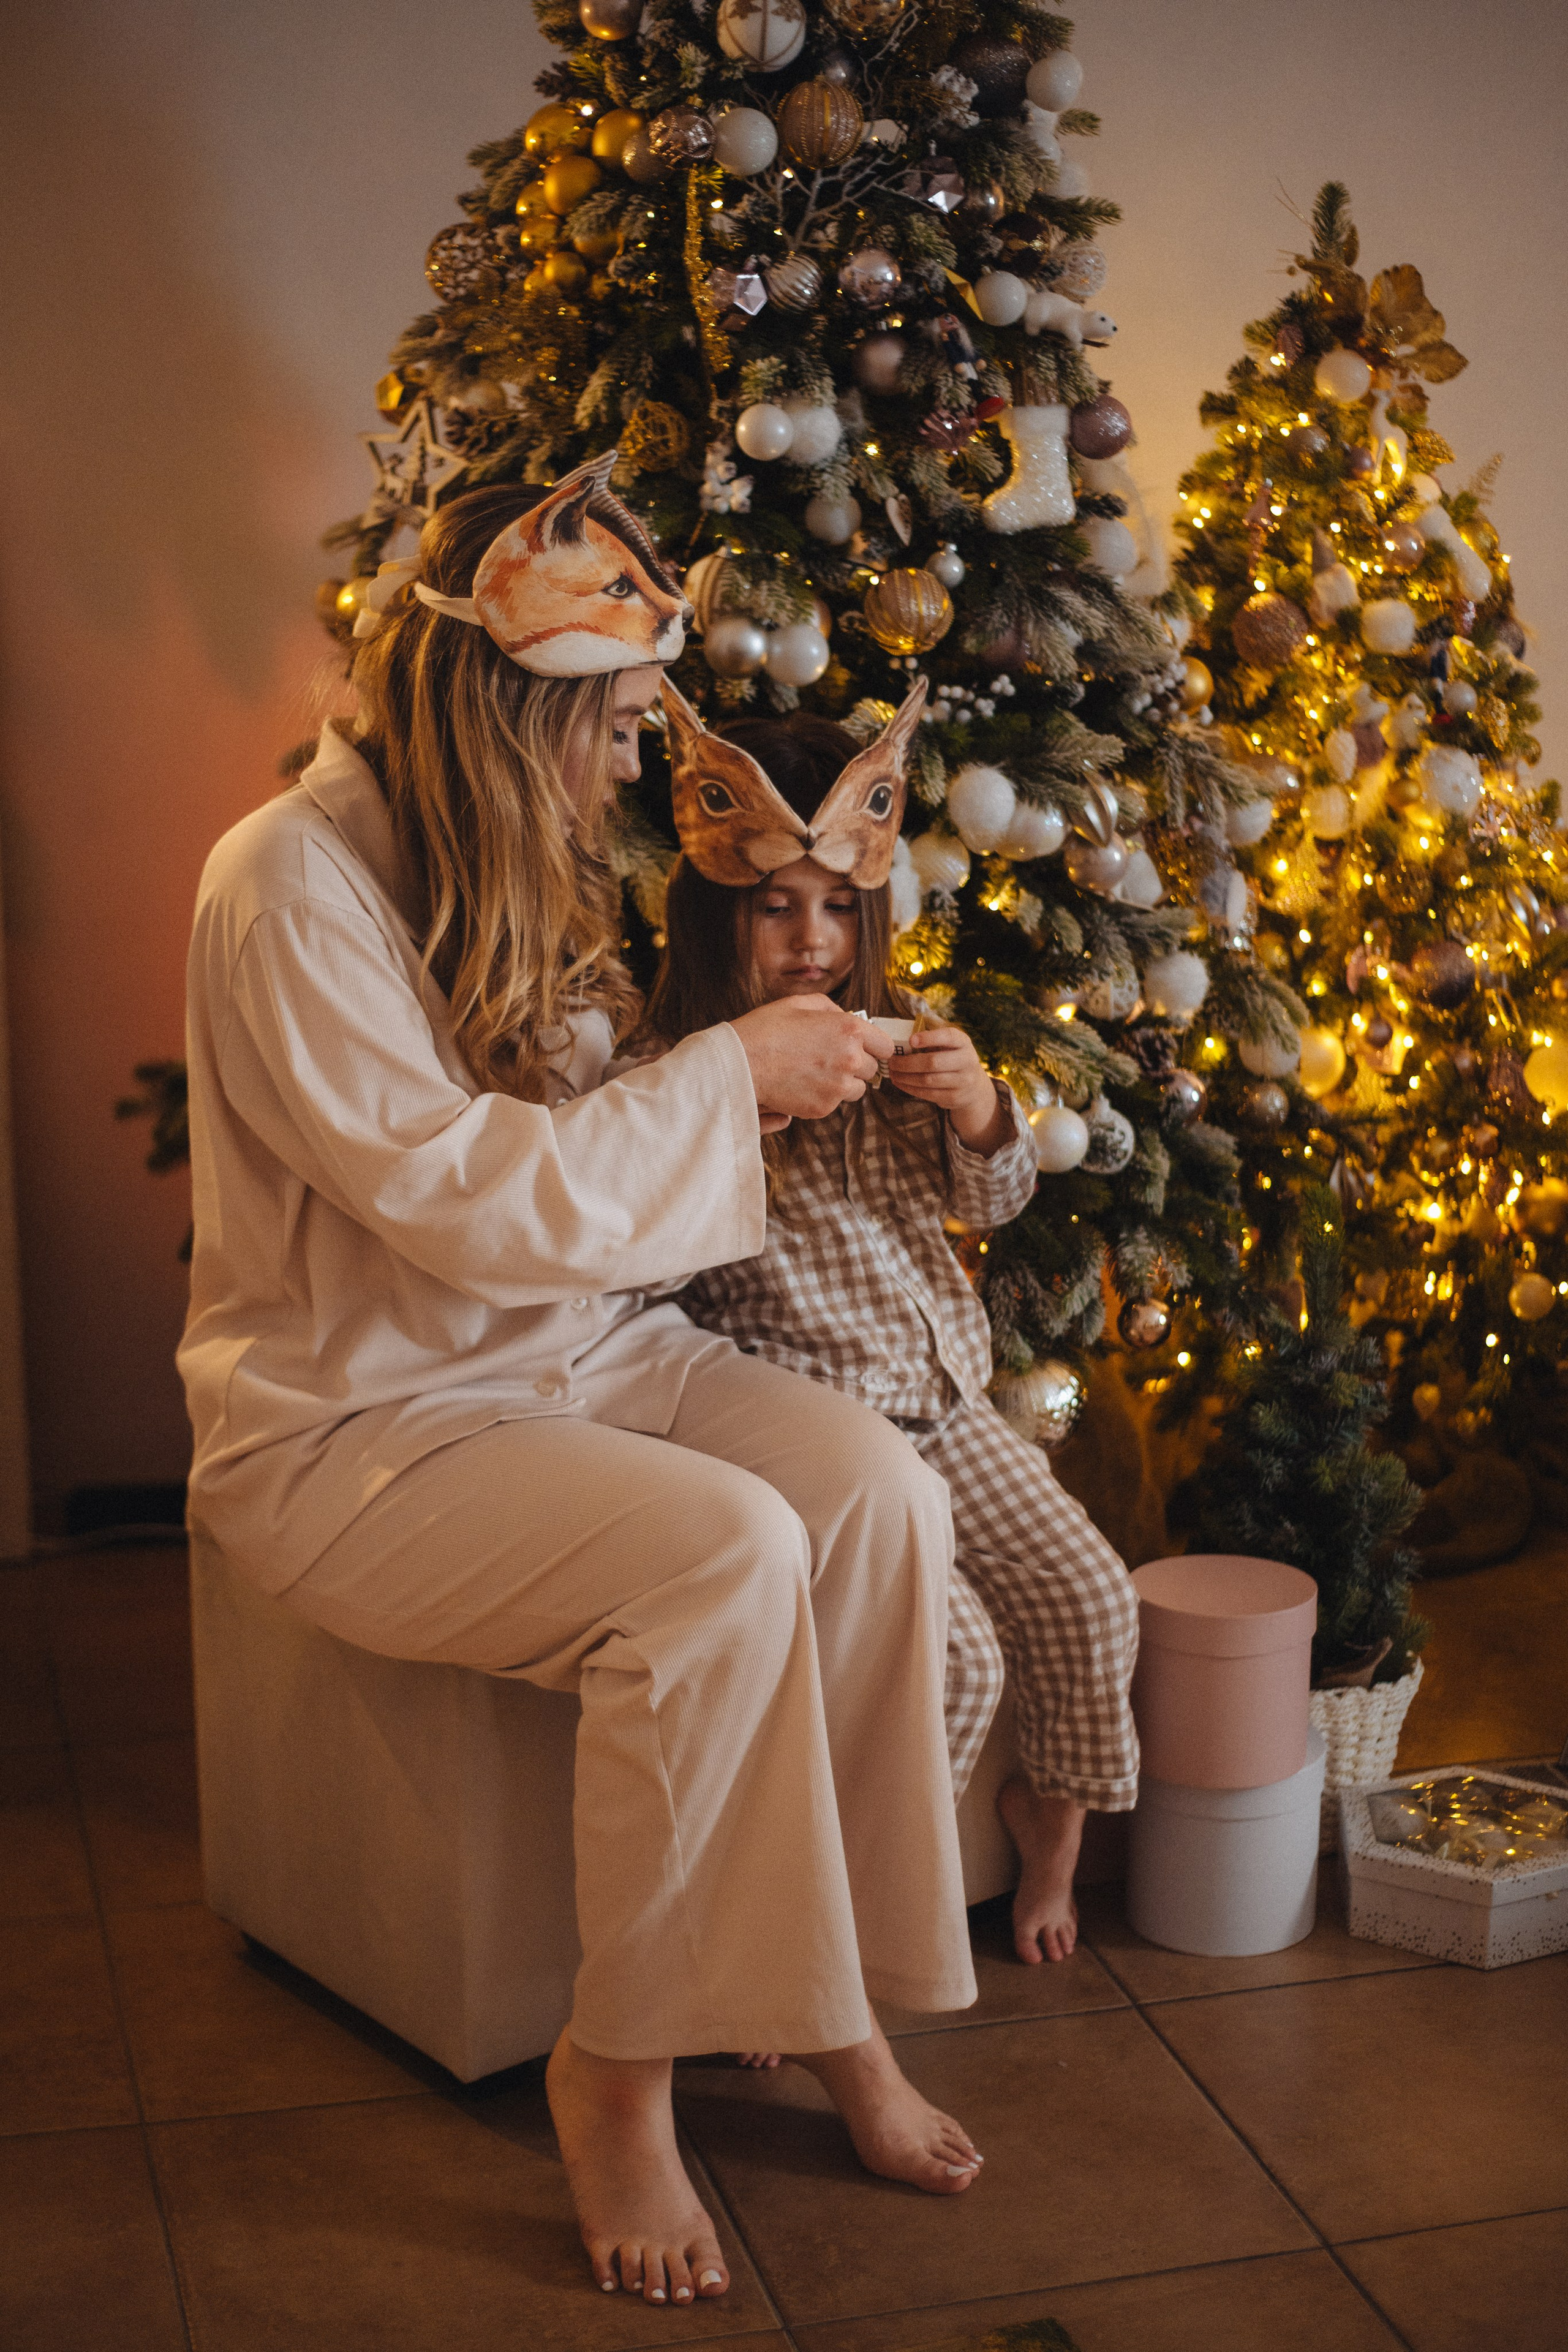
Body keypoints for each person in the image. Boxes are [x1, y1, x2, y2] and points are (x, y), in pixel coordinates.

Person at [178, 454, 984, 2316]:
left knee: (882, 1495)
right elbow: (460, 1198)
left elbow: (587, 1163)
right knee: (715, 1558)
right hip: (363, 1421)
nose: (635, 763)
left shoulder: (521, 847)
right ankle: (615, 2070)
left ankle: (831, 2001)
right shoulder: (288, 889)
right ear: (513, 701)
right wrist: (722, 1087)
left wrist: (788, 1061)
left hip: (581, 1354)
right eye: (619, 723)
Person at [640, 687, 1141, 1970]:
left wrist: (979, 1114)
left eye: (835, 909)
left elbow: (989, 1199)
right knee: (957, 1664)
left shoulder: (901, 1037)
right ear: (716, 912)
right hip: (828, 1448)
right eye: (773, 908)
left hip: (948, 1406)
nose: (811, 941)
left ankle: (1050, 1830)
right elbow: (646, 1260)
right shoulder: (672, 1070)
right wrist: (740, 1105)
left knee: (1085, 1591)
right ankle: (821, 1938)